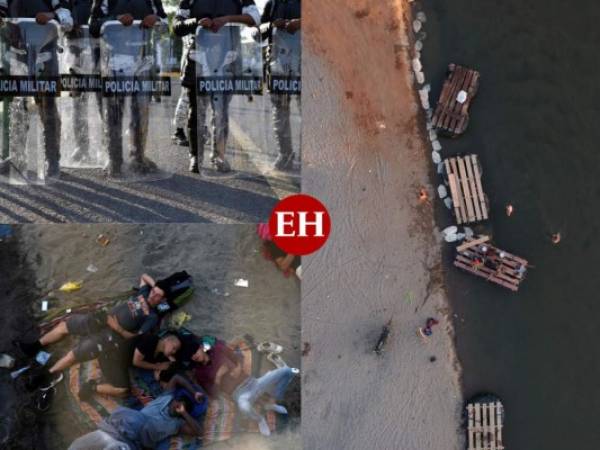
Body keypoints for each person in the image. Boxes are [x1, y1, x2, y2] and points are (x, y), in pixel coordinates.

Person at [16, 274, 169, 397]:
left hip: (111, 335)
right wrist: (155, 286)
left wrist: (118, 328)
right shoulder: (143, 293)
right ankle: (33, 347)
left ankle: (43, 376)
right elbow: (144, 277)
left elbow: (134, 338)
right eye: (153, 292)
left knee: (74, 354)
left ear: (162, 300)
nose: (153, 296)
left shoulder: (152, 317)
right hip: (102, 318)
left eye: (157, 296)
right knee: (66, 325)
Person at [173, 0, 260, 174]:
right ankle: (195, 157)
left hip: (227, 60)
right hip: (197, 60)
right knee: (196, 112)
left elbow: (254, 18)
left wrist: (226, 19)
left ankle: (219, 156)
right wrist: (196, 22)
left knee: (221, 114)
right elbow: (176, 27)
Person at [90, 0, 167, 177]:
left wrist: (156, 19)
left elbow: (165, 23)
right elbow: (93, 26)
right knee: (114, 114)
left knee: (140, 112)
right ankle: (114, 160)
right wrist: (116, 19)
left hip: (143, 61)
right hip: (114, 62)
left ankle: (138, 158)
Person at [0, 0, 74, 178]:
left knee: (48, 108)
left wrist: (51, 16)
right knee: (17, 107)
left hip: (45, 55)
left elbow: (67, 18)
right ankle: (15, 158)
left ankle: (53, 161)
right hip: (16, 53)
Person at [185, 336, 298, 436]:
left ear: (201, 347)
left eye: (195, 352)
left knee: (287, 371)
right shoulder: (200, 373)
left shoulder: (218, 350)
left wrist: (238, 368)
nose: (194, 356)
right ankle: (260, 420)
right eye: (191, 356)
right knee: (244, 406)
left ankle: (271, 403)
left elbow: (237, 357)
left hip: (253, 382)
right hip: (240, 394)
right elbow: (214, 394)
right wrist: (218, 377)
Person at [68, 374, 203, 450]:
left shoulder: (177, 424)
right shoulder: (166, 397)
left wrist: (184, 413)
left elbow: (199, 432)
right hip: (114, 427)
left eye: (181, 407)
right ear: (174, 399)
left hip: (132, 440)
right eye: (178, 403)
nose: (178, 407)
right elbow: (177, 378)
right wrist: (194, 392)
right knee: (75, 446)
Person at [261, 0, 301, 171]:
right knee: (280, 111)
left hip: (305, 64)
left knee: (309, 112)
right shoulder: (272, 4)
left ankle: (309, 157)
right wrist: (271, 25)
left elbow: (328, 23)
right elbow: (258, 32)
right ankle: (285, 155)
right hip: (277, 65)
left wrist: (301, 22)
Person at [66, 0, 103, 164]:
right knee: (78, 106)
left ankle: (107, 149)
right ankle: (82, 147)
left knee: (104, 104)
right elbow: (61, 17)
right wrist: (68, 25)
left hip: (101, 57)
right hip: (76, 57)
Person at [171, 35, 193, 147]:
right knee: (186, 99)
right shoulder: (186, 17)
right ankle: (178, 131)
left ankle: (200, 128)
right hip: (190, 64)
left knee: (204, 100)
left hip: (209, 62)